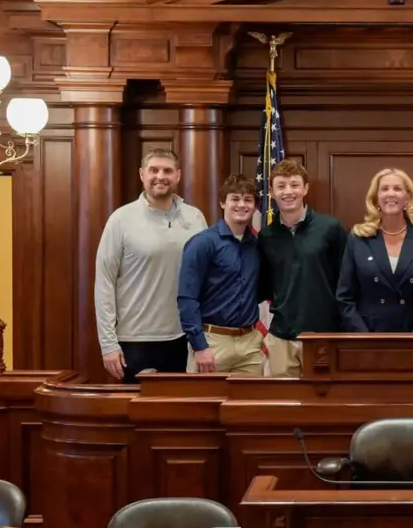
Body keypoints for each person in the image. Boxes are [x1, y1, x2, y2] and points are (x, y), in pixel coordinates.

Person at [94, 148, 208, 383]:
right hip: (136, 341)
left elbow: (207, 278)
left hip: (185, 338)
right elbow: (104, 283)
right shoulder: (121, 219)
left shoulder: (196, 218)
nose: (160, 176)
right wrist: (108, 343)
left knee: (181, 416)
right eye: (153, 170)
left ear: (177, 176)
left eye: (167, 170)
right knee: (140, 417)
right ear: (142, 174)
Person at [257, 159, 348, 377]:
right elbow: (266, 286)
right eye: (281, 186)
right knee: (283, 405)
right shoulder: (266, 236)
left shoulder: (330, 229)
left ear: (305, 188)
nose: (288, 191)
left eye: (294, 185)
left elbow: (345, 282)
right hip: (282, 336)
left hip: (322, 336)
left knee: (323, 403)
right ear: (271, 192)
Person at [178, 174, 264, 376]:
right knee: (204, 406)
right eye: (235, 198)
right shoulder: (202, 243)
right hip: (212, 343)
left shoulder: (257, 246)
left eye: (248, 200)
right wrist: (199, 346)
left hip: (250, 344)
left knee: (249, 407)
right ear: (222, 202)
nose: (241, 205)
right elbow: (187, 299)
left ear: (254, 206)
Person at [337, 168, 413, 332]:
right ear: (376, 199)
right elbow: (345, 297)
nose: (390, 194)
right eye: (384, 189)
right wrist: (364, 338)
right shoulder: (358, 238)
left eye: (397, 189)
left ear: (407, 198)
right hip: (367, 338)